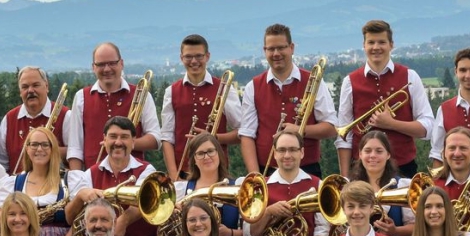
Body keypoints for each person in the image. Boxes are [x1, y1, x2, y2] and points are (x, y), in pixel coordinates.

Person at [336, 20, 433, 179]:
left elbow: (428, 128)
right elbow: (344, 138)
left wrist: (391, 123)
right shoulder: (349, 82)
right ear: (364, 45)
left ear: (391, 45)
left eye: (382, 42)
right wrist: (345, 179)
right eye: (371, 42)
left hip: (403, 167)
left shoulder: (410, 76)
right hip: (362, 169)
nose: (376, 47)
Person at [239, 23, 338, 176]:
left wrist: (300, 130)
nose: (276, 53)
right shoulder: (253, 86)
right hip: (267, 172)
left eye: (281, 48)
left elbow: (331, 127)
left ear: (291, 48)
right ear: (265, 51)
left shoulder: (314, 82)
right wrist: (255, 176)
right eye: (271, 49)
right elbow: (247, 135)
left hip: (307, 170)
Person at [244, 131, 330, 236]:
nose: (287, 155)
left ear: (301, 152)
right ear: (275, 153)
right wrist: (268, 212)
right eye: (282, 150)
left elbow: (322, 231)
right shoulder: (259, 187)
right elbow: (249, 235)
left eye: (292, 149)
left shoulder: (318, 184)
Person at [66, 42, 160, 169]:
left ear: (121, 63)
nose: (107, 69)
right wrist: (77, 178)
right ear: (93, 67)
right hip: (93, 176)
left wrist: (124, 142)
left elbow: (155, 139)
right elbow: (75, 148)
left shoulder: (142, 95)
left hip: (134, 175)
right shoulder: (81, 97)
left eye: (112, 63)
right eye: (101, 64)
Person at [160, 34, 241, 179]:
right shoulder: (171, 91)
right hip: (183, 175)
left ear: (207, 56)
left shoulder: (224, 89)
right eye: (188, 57)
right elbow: (167, 137)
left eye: (199, 56)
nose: (194, 61)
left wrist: (215, 137)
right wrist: (174, 176)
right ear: (181, 58)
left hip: (217, 173)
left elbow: (242, 133)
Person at [0, 127, 93, 236]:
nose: (39, 149)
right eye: (34, 144)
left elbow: (79, 221)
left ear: (53, 149)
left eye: (45, 145)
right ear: (27, 149)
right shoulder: (13, 183)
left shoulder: (71, 180)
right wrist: (23, 216)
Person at [78, 117, 159, 236]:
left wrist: (124, 220)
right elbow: (73, 216)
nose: (118, 142)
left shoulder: (147, 170)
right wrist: (81, 195)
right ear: (104, 140)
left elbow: (147, 202)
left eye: (124, 137)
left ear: (133, 142)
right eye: (113, 136)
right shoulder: (90, 173)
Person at [178, 133, 249, 236]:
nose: (206, 157)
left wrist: (230, 234)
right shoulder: (181, 189)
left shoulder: (238, 186)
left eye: (210, 151)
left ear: (219, 154)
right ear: (194, 159)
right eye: (200, 153)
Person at [0, 66, 73, 174]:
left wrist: (50, 150)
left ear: (46, 86)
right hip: (17, 183)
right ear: (20, 91)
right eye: (25, 87)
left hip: (53, 183)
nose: (30, 90)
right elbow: (2, 163)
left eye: (35, 85)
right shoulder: (9, 119)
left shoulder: (65, 116)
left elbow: (74, 153)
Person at [349, 131, 414, 236]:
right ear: (360, 154)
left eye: (379, 151)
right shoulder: (349, 186)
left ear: (388, 155)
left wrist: (396, 231)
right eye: (367, 151)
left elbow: (416, 226)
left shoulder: (403, 185)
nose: (372, 155)